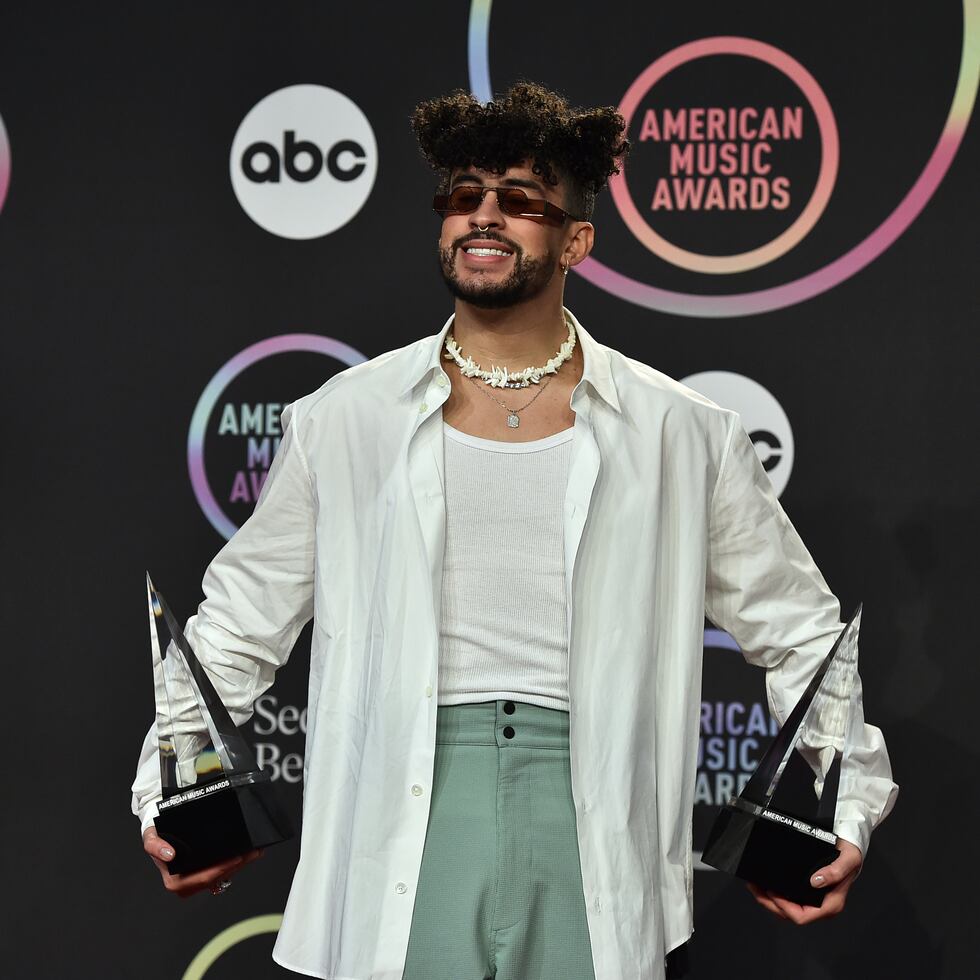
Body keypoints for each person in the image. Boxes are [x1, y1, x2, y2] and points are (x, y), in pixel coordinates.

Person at [133, 82, 898, 980]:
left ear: (577, 239)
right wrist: (175, 792)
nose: (485, 217)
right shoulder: (344, 419)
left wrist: (840, 807)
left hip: (594, 816)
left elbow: (802, 635)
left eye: (522, 201)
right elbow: (233, 630)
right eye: (464, 197)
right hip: (402, 813)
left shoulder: (683, 433)